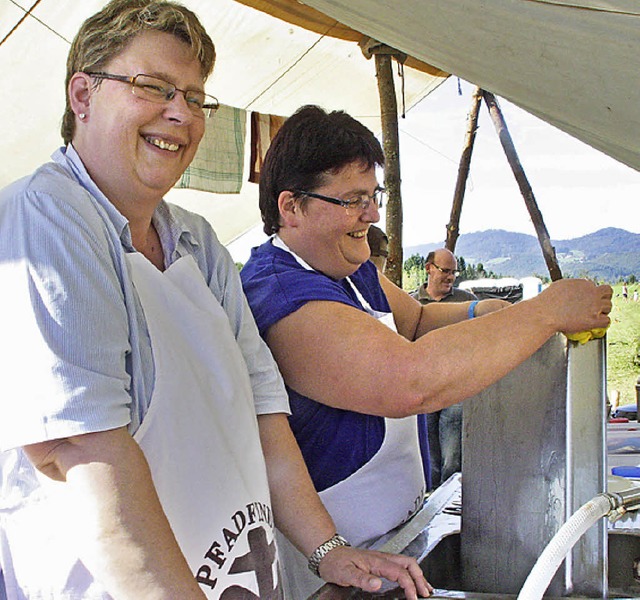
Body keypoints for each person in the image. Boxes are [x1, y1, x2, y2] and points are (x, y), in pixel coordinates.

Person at [0, 5, 432, 599]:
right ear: (82, 94)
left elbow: (262, 412)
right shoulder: (47, 218)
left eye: (195, 97)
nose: (179, 113)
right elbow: (80, 450)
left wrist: (327, 551)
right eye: (152, 87)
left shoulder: (197, 242)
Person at [240, 105, 612, 595]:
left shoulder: (350, 269)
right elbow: (407, 382)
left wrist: (490, 312)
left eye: (373, 196)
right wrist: (545, 313)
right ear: (291, 206)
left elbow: (414, 321)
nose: (371, 215)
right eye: (354, 200)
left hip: (397, 542)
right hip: (327, 572)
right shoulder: (280, 292)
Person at [410, 248, 477, 488]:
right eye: (445, 271)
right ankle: (428, 499)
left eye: (454, 272)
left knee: (453, 457)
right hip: (423, 390)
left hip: (456, 390)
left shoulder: (467, 302)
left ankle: (450, 501)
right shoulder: (411, 303)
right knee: (427, 456)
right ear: (429, 268)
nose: (450, 277)